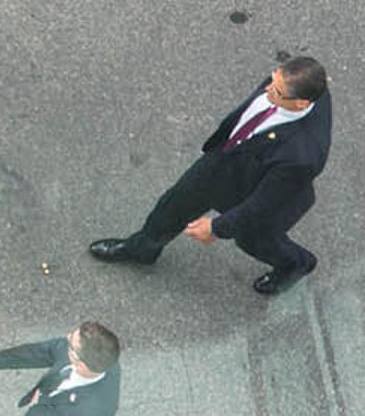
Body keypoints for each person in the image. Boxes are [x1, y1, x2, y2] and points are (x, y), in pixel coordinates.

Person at [86, 58, 335, 296]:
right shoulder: (290, 83)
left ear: (302, 103)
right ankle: (142, 249)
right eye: (272, 80)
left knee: (255, 243)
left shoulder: (302, 156)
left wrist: (216, 228)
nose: (268, 90)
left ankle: (296, 264)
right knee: (171, 206)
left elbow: (262, 204)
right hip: (222, 164)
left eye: (277, 92)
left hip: (257, 193)